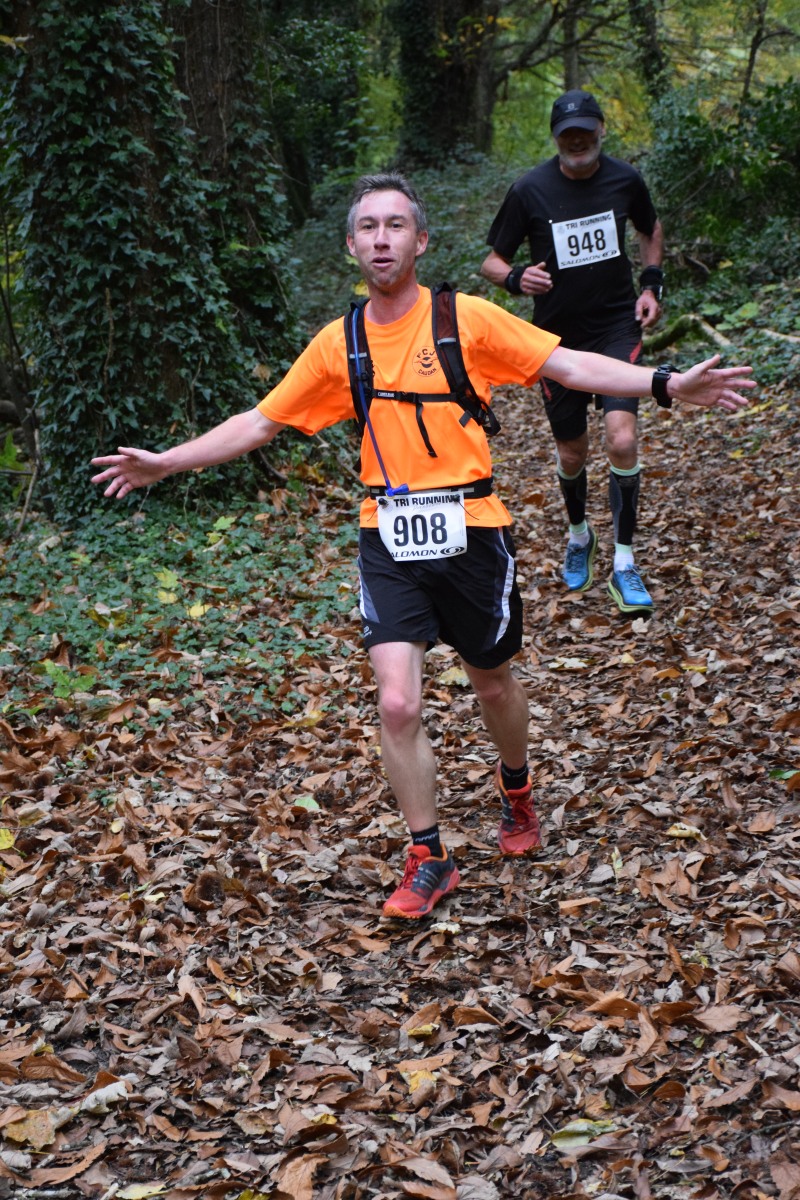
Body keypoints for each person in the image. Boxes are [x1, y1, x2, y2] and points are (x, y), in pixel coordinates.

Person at [91, 172, 753, 921]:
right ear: (351, 246)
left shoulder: (464, 318)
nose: (382, 239)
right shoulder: (339, 344)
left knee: (492, 684)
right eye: (368, 227)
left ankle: (516, 785)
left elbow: (567, 364)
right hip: (388, 532)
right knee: (398, 702)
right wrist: (167, 462)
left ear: (421, 240)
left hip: (472, 528)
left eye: (396, 225)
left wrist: (664, 383)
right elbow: (261, 421)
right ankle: (429, 855)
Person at [481, 89, 667, 614]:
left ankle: (625, 563)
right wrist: (517, 277)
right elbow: (492, 262)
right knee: (572, 453)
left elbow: (650, 228)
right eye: (568, 134)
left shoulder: (625, 179)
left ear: (601, 129)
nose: (578, 140)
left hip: (616, 326)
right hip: (556, 339)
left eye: (585, 130)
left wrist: (652, 284)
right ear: (556, 138)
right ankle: (580, 533)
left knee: (622, 438)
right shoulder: (529, 190)